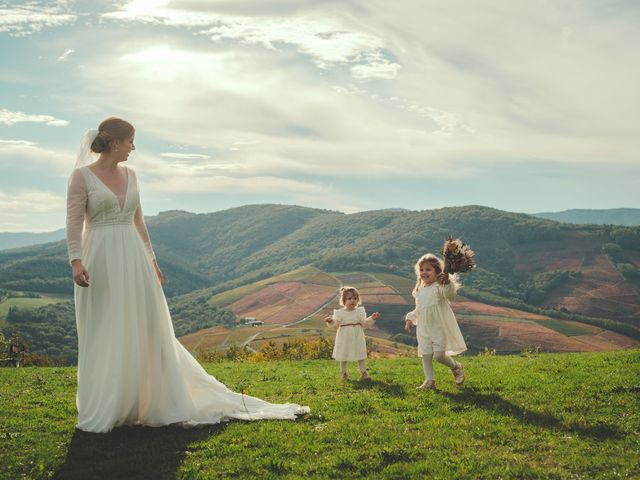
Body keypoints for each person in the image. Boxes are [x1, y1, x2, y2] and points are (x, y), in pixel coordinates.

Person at [66, 117, 309, 433]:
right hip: (99, 258)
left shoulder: (131, 175)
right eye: (130, 141)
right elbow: (73, 222)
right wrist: (76, 261)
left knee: (145, 327)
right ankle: (108, 404)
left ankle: (146, 400)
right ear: (114, 142)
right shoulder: (81, 177)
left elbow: (139, 222)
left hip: (135, 258)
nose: (134, 147)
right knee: (107, 327)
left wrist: (152, 260)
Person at [404, 254, 466, 390]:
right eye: (421, 270)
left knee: (438, 356)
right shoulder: (420, 291)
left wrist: (448, 282)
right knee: (426, 355)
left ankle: (456, 366)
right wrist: (410, 318)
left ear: (437, 271)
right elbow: (419, 309)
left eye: (428, 269)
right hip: (424, 328)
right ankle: (429, 381)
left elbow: (450, 295)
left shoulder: (439, 287)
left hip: (439, 327)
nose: (424, 272)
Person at [325, 286, 380, 381]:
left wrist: (372, 318)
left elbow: (364, 324)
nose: (352, 301)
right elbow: (335, 323)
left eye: (355, 298)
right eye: (349, 299)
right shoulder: (340, 313)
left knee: (361, 354)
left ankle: (363, 373)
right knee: (344, 355)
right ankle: (344, 374)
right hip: (344, 337)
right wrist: (330, 321)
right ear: (343, 300)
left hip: (357, 335)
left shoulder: (360, 312)